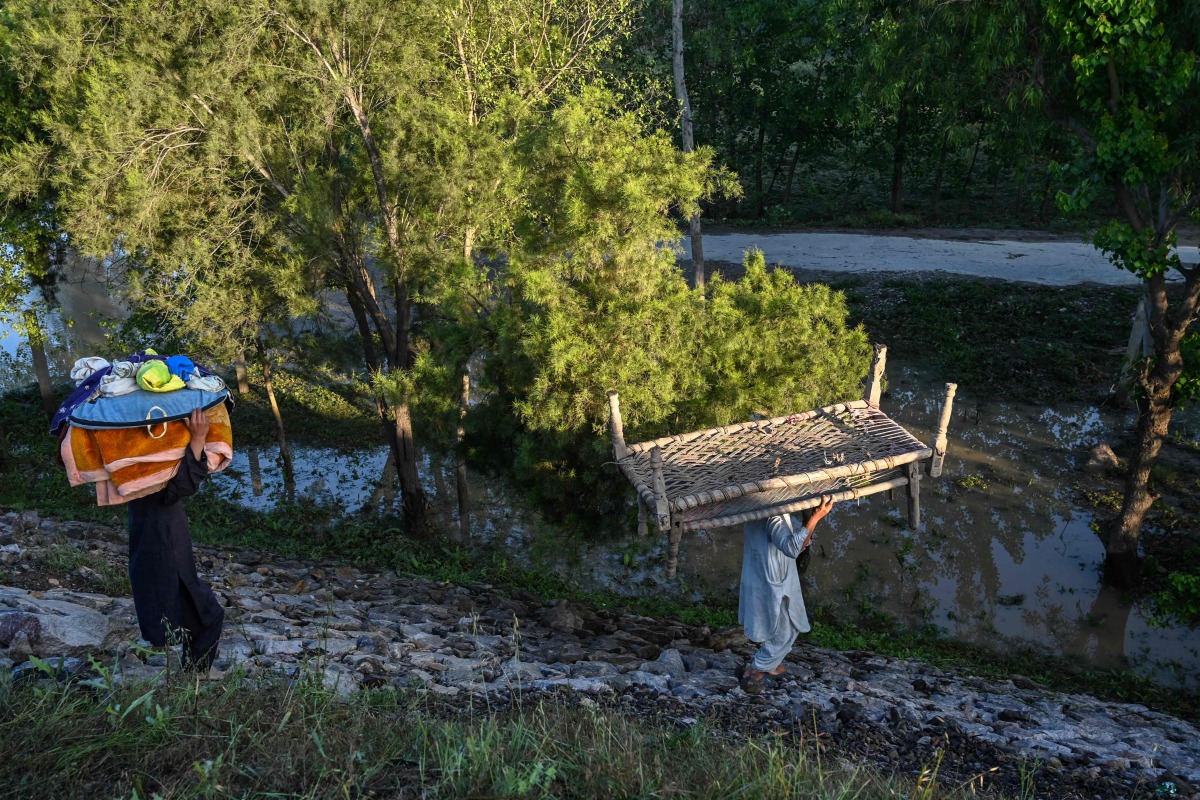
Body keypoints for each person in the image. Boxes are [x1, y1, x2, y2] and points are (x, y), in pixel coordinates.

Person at [127, 407, 224, 673]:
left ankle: (188, 678)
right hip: (166, 553)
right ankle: (192, 680)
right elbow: (182, 487)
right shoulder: (151, 475)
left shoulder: (135, 465)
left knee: (196, 618)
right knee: (209, 616)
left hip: (154, 548)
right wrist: (197, 438)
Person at [738, 495, 835, 693]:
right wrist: (816, 517)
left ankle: (770, 664)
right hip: (774, 578)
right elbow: (792, 548)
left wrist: (808, 523)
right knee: (788, 626)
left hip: (761, 573)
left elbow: (797, 537)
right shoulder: (775, 516)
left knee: (776, 622)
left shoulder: (754, 508)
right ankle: (759, 668)